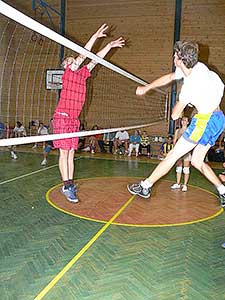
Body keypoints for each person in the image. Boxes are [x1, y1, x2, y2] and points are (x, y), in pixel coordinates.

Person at [127, 40, 225, 208]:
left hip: (204, 121)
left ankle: (145, 186)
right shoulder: (199, 67)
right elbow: (172, 76)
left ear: (181, 60)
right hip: (219, 119)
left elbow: (174, 116)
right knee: (197, 162)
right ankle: (223, 191)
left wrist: (182, 102)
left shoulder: (190, 87)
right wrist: (147, 87)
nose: (173, 56)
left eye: (176, 55)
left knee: (173, 155)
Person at [53, 24, 125, 203]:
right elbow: (84, 54)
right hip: (62, 117)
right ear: (66, 66)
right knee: (64, 153)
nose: (72, 59)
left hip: (74, 120)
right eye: (70, 59)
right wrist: (95, 36)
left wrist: (108, 46)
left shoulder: (82, 74)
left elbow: (94, 60)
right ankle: (67, 185)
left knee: (70, 153)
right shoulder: (69, 73)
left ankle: (68, 185)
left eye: (72, 58)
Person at [170, 116, 191, 192]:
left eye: (185, 120)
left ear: (188, 122)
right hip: (178, 152)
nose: (183, 121)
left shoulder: (189, 131)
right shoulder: (177, 130)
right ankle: (178, 183)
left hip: (186, 152)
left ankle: (185, 185)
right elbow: (174, 140)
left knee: (186, 169)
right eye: (182, 120)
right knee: (178, 168)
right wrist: (174, 150)